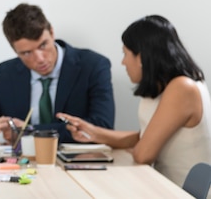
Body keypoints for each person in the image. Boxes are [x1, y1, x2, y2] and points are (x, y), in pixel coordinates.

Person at [60, 15, 211, 188]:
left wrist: (137, 147)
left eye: (125, 54)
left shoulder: (182, 88)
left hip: (182, 192)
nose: (123, 62)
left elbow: (143, 154)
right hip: (166, 187)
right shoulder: (169, 87)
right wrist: (93, 132)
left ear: (141, 57)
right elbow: (143, 137)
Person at [0, 3, 115, 144]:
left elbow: (103, 127)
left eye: (43, 45)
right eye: (27, 53)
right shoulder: (6, 73)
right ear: (15, 51)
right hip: (24, 167)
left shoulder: (93, 66)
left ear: (52, 32)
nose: (40, 59)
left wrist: (31, 132)